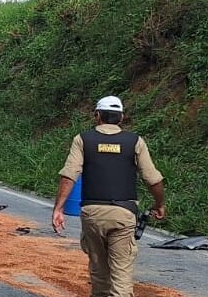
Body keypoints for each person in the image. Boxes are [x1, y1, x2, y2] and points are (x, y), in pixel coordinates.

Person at [52, 96, 165, 297]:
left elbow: (69, 174)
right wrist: (160, 204)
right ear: (121, 118)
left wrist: (59, 208)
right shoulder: (134, 142)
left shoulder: (83, 140)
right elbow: (152, 179)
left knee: (99, 272)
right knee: (121, 274)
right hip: (123, 214)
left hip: (92, 214)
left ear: (97, 116)